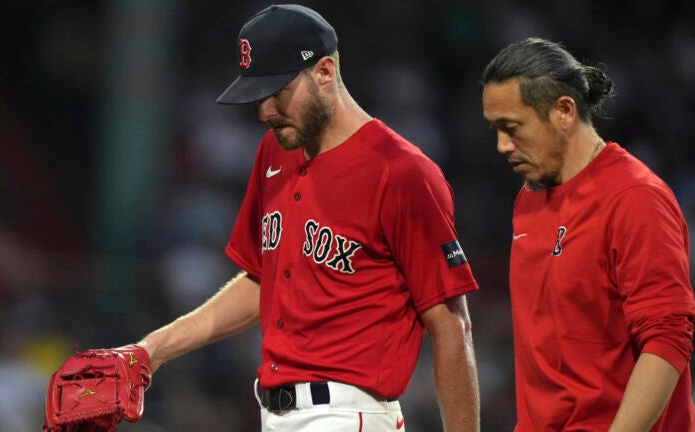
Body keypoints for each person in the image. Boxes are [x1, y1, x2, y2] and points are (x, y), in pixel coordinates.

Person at [137, 4, 481, 432]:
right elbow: (260, 281)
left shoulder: (402, 172)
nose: (264, 111)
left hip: (349, 411)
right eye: (257, 96)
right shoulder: (273, 152)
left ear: (324, 71)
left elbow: (450, 325)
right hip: (275, 413)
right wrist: (151, 350)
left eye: (276, 91)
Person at [481, 37, 695, 432]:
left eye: (511, 128)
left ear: (564, 111)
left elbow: (667, 341)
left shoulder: (635, 198)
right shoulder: (527, 201)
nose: (502, 145)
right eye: (495, 129)